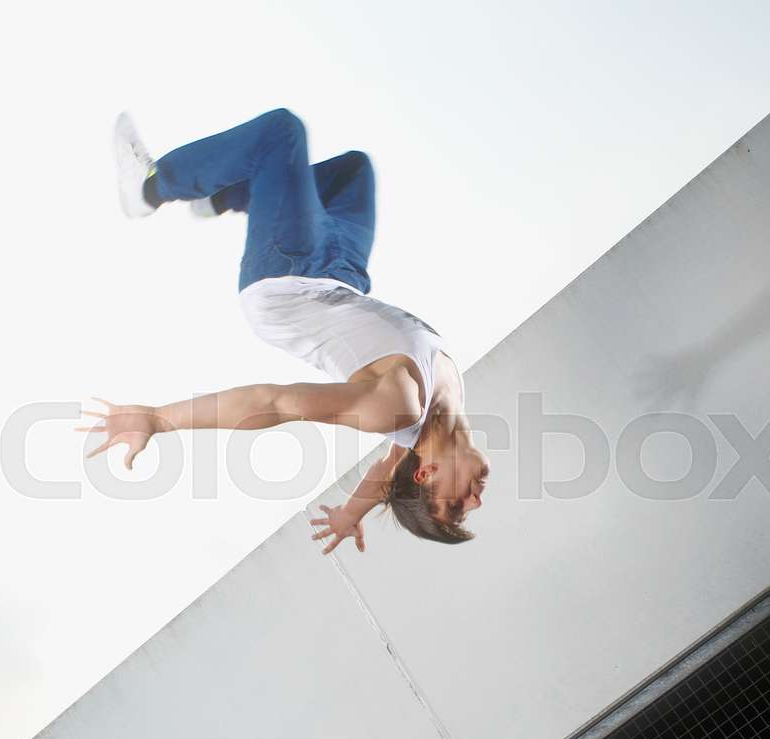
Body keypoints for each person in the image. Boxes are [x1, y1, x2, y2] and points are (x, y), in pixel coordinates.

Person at [79, 107, 490, 551]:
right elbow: (386, 473)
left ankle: (150, 187)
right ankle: (220, 198)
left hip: (286, 282)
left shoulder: (397, 409)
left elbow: (275, 403)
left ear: (427, 474)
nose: (476, 501)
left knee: (280, 134)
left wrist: (158, 419)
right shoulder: (432, 421)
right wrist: (351, 513)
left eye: (457, 506)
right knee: (353, 173)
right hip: (340, 277)